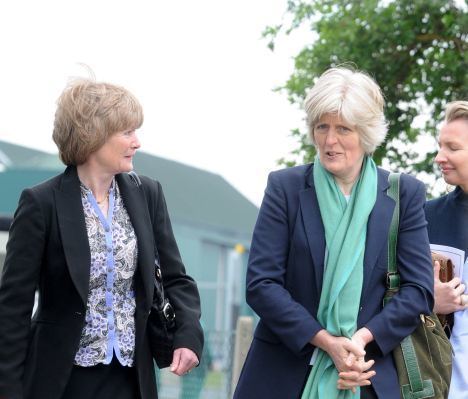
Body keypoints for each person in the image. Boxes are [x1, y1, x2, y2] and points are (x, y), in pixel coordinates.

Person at [233, 67, 434, 399]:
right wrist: (325, 340)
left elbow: (419, 291)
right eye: (321, 127)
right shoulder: (285, 188)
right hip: (283, 374)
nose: (329, 141)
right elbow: (261, 284)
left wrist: (362, 340)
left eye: (343, 129)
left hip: (369, 373)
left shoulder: (404, 194)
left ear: (366, 133)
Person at [0, 78, 203, 399]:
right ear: (92, 135)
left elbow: (177, 279)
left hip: (131, 379)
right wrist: (9, 388)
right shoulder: (41, 203)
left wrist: (189, 335)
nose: (137, 142)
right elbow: (13, 307)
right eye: (127, 132)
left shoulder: (147, 194)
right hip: (60, 381)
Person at [425, 100, 468, 398]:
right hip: (440, 385)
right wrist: (428, 299)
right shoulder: (425, 218)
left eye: (452, 148)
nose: (440, 157)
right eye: (440, 147)